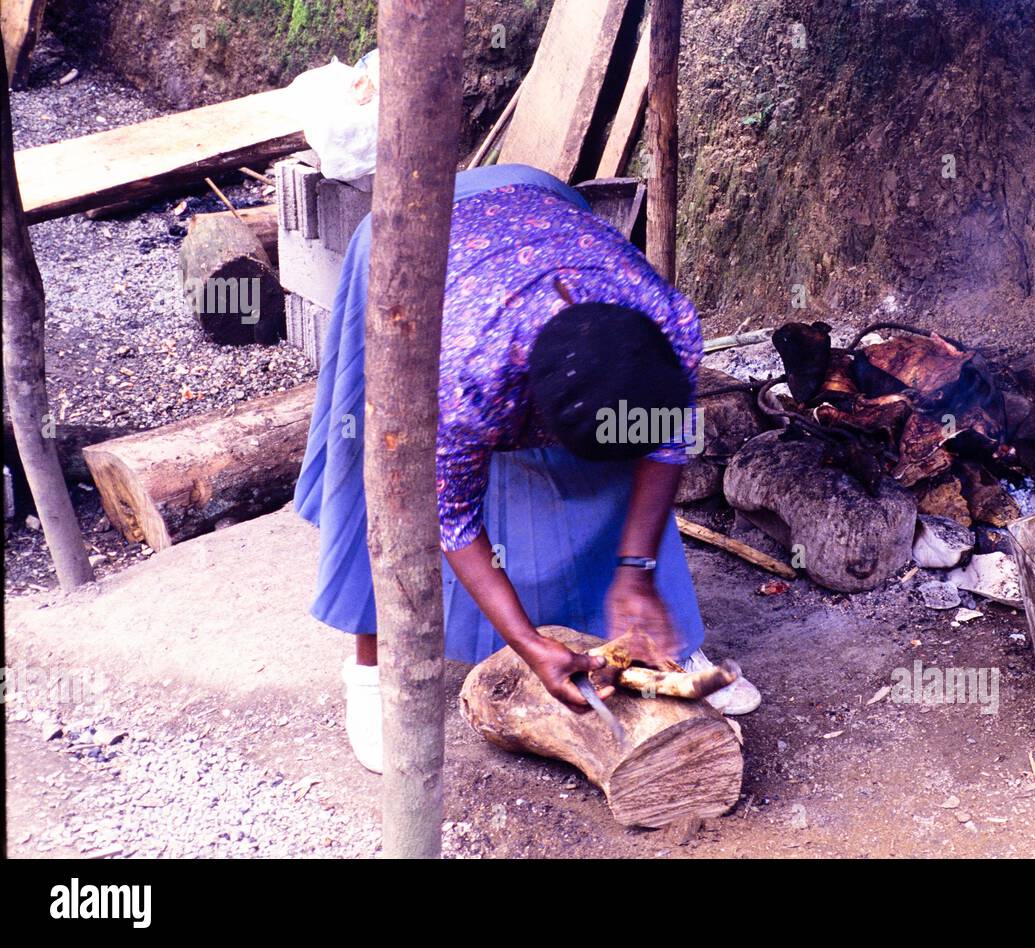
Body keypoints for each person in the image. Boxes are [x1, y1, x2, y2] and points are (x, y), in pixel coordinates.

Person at [294, 163, 760, 773]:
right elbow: (451, 517)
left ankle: (660, 646)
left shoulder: (667, 324)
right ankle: (369, 668)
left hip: (538, 198)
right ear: (528, 408)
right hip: (412, 233)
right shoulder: (467, 379)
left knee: (619, 470)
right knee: (385, 474)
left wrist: (635, 570)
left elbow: (666, 442)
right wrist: (528, 643)